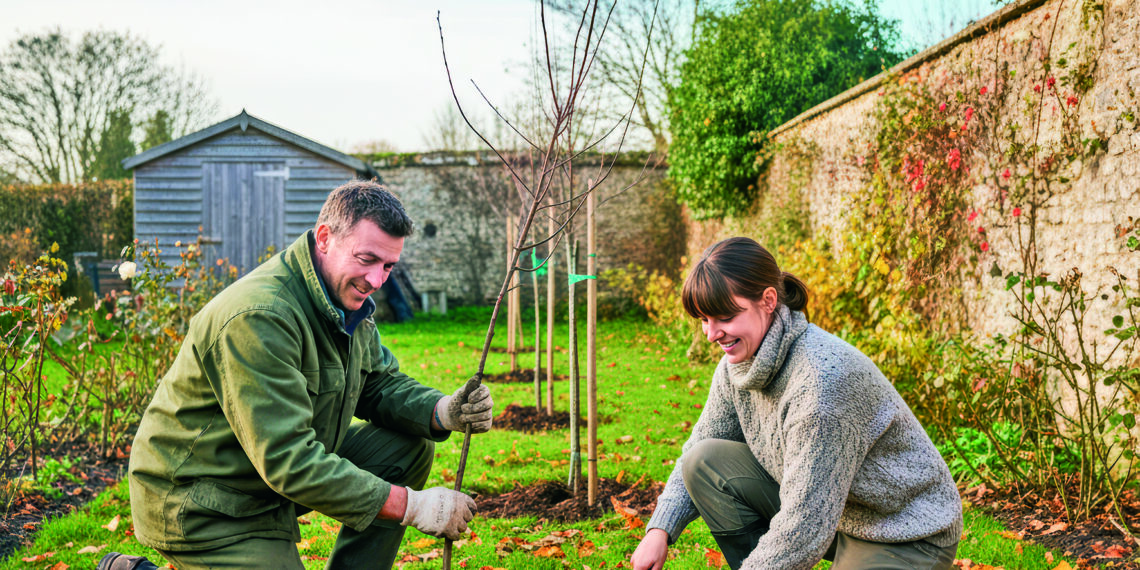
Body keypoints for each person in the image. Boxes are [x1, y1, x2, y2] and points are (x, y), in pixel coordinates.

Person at [124, 180, 493, 570]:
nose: (377, 280)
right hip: (203, 501)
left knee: (406, 447)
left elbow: (377, 382)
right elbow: (289, 460)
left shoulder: (344, 299)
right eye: (366, 259)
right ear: (323, 238)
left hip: (263, 478)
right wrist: (411, 506)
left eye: (388, 266)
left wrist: (442, 411)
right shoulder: (260, 317)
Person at [631, 237, 962, 570]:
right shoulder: (737, 367)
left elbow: (804, 528)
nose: (711, 334)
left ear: (768, 300)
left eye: (724, 317)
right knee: (703, 461)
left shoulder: (821, 384)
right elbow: (700, 442)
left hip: (903, 531)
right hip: (836, 516)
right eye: (704, 319)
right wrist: (659, 529)